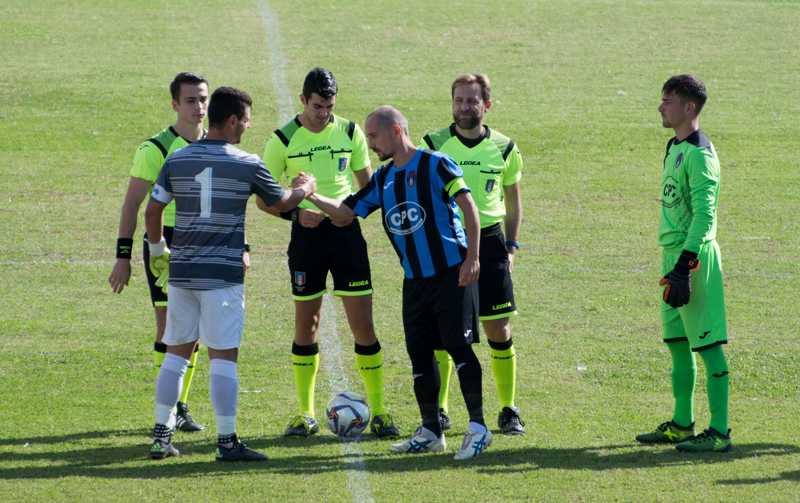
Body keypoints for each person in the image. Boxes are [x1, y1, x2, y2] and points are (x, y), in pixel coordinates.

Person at [307, 106, 491, 460]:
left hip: (453, 273)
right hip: (415, 280)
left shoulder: (437, 164)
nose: (371, 144)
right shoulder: (383, 178)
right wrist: (311, 195)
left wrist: (473, 258)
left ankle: (479, 428)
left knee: (459, 348)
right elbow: (346, 214)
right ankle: (430, 431)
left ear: (395, 130)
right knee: (419, 355)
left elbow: (469, 207)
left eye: (374, 136)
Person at [144, 86, 316, 461]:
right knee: (223, 358)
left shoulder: (178, 159)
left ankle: (160, 437)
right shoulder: (246, 162)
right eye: (246, 122)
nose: (247, 129)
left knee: (176, 355)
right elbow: (281, 201)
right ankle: (227, 442)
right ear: (234, 120)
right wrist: (304, 188)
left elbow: (152, 212)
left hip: (182, 272)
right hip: (222, 276)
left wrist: (159, 250)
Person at [258, 67, 398, 438]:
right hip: (306, 241)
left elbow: (368, 186)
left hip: (346, 235)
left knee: (363, 326)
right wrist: (295, 213)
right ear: (303, 100)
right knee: (307, 325)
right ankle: (304, 414)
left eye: (330, 106)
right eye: (318, 106)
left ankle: (380, 411)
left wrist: (345, 210)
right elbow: (263, 198)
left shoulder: (350, 131)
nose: (324, 113)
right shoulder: (281, 140)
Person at [421, 73, 526, 435]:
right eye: (459, 100)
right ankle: (442, 407)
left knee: (498, 326)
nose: (465, 107)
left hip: (493, 242)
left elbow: (513, 202)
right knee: (444, 332)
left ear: (487, 105)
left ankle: (509, 408)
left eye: (472, 100)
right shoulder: (433, 144)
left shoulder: (505, 147)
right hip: (449, 243)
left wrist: (511, 246)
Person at [108, 72, 212, 432]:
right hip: (163, 240)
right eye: (190, 100)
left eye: (202, 99)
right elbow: (132, 204)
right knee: (169, 326)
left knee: (195, 328)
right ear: (174, 104)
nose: (198, 107)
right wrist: (123, 257)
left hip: (203, 240)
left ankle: (179, 404)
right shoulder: (155, 149)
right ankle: (169, 408)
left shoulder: (214, 144)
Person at [636, 74, 731, 452]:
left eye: (668, 100)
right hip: (671, 256)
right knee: (677, 342)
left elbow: (705, 218)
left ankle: (720, 433)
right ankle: (682, 423)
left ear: (689, 107)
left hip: (693, 259)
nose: (661, 106)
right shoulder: (673, 146)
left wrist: (684, 266)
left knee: (708, 345)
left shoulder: (700, 155)